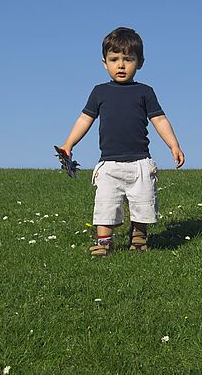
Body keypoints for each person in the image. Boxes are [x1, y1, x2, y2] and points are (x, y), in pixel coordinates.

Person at [59, 27, 185, 258]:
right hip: (109, 164)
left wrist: (173, 145)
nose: (121, 65)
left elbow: (160, 120)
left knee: (143, 202)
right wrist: (69, 144)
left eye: (128, 59)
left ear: (140, 62)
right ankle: (104, 242)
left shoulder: (145, 92)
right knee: (106, 203)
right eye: (114, 59)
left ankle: (138, 237)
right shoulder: (99, 92)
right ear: (104, 63)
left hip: (139, 163)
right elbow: (84, 119)